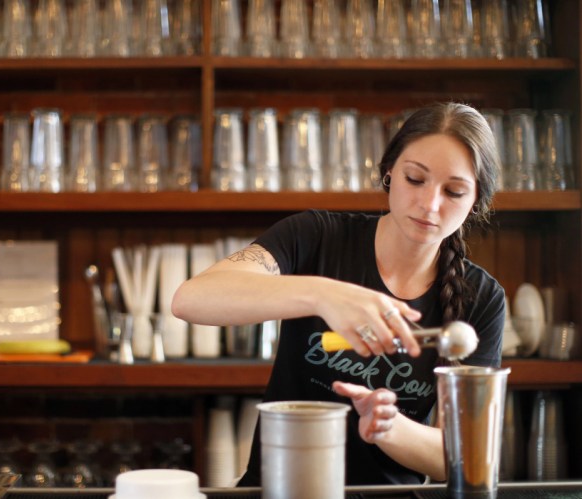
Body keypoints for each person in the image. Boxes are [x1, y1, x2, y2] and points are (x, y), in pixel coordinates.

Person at [171, 102, 505, 486]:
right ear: (389, 172)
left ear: (475, 201)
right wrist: (322, 295)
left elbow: (463, 458)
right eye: (416, 179)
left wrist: (389, 426)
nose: (429, 204)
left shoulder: (481, 298)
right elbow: (191, 299)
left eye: (454, 191)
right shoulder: (315, 236)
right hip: (280, 490)